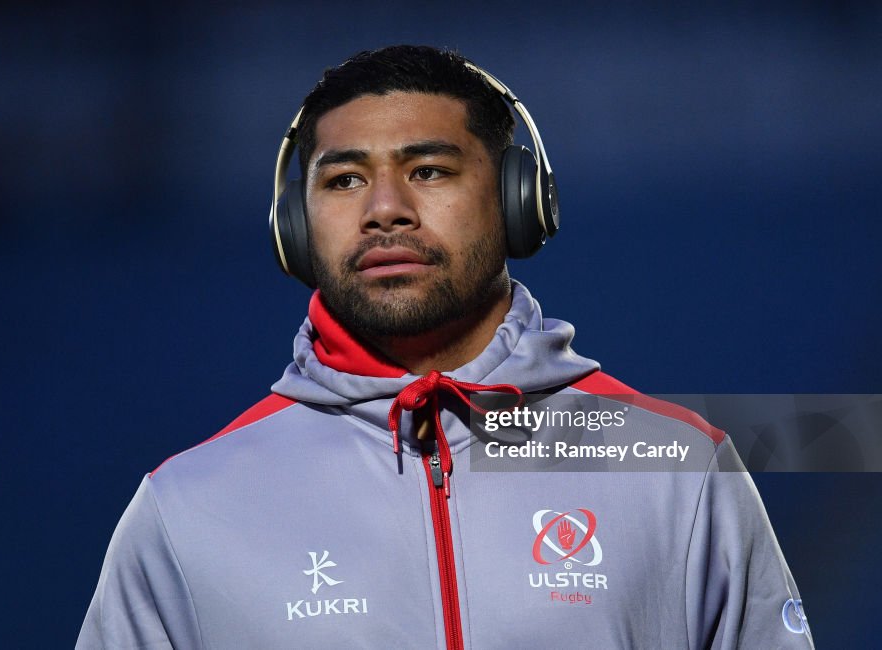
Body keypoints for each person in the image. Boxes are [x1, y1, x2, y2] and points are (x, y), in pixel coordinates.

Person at [78, 45, 812, 649]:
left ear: (519, 200)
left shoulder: (678, 472)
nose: (385, 210)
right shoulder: (187, 509)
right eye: (344, 179)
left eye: (428, 170)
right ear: (295, 230)